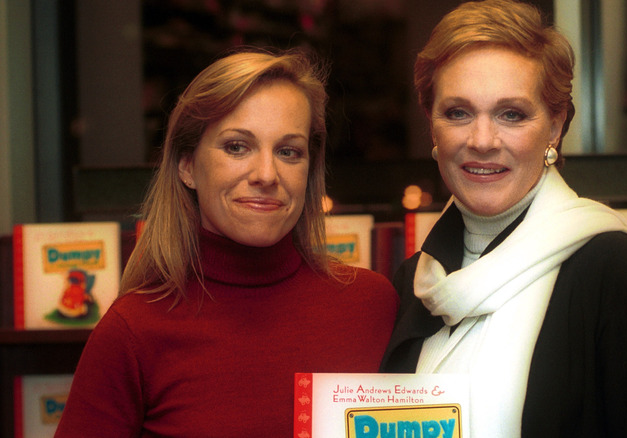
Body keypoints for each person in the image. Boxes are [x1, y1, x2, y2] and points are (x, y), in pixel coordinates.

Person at [380, 1, 627, 436]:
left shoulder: (615, 271)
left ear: (555, 127)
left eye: (512, 114)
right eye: (458, 113)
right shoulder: (415, 283)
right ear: (432, 125)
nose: (482, 140)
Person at [55, 48, 398, 437]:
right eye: (237, 147)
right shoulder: (133, 331)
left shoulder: (372, 305)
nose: (266, 174)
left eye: (288, 151)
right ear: (187, 165)